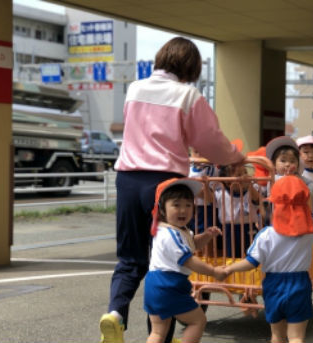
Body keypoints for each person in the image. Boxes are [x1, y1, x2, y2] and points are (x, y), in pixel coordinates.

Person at [99, 37, 244, 343]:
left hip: (127, 177)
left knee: (130, 259)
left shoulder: (135, 89)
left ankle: (114, 314)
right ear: (191, 67)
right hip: (163, 183)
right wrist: (235, 157)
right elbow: (210, 141)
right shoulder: (188, 96)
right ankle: (159, 337)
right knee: (164, 262)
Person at [221, 175, 313, 343]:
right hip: (299, 284)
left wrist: (229, 269)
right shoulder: (311, 227)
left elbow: (251, 262)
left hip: (273, 285)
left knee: (276, 336)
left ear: (275, 205)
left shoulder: (266, 235)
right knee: (296, 337)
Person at [145, 178, 228, 343]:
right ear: (162, 209)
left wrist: (206, 236)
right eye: (176, 205)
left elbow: (192, 244)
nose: (183, 210)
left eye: (188, 205)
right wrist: (213, 271)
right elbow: (188, 260)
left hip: (155, 285)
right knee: (198, 321)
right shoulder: (171, 235)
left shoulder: (174, 231)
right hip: (169, 285)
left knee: (158, 333)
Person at [215, 163, 261, 257]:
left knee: (253, 253)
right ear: (228, 182)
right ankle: (234, 271)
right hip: (229, 228)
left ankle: (253, 270)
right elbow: (210, 200)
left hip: (249, 226)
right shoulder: (222, 193)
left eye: (245, 172)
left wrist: (249, 185)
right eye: (239, 175)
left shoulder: (252, 189)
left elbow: (257, 200)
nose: (244, 176)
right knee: (232, 254)